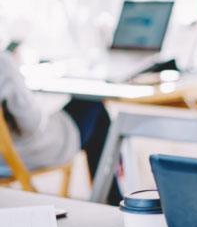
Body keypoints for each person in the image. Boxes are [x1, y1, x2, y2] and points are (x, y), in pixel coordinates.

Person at [0, 52, 118, 203]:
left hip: (7, 157)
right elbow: (31, 125)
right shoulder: (3, 62)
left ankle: (111, 197)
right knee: (93, 105)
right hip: (19, 155)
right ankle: (112, 200)